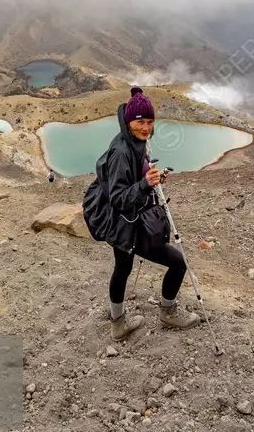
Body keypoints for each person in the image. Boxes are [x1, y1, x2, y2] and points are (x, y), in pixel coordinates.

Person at [83, 86, 201, 341]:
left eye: (149, 121)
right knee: (178, 262)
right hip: (125, 223)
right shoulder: (122, 152)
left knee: (122, 269)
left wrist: (153, 179)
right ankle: (167, 313)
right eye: (140, 121)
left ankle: (118, 324)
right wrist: (145, 184)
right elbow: (118, 198)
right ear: (129, 121)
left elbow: (135, 181)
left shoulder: (135, 142)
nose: (146, 127)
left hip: (127, 222)